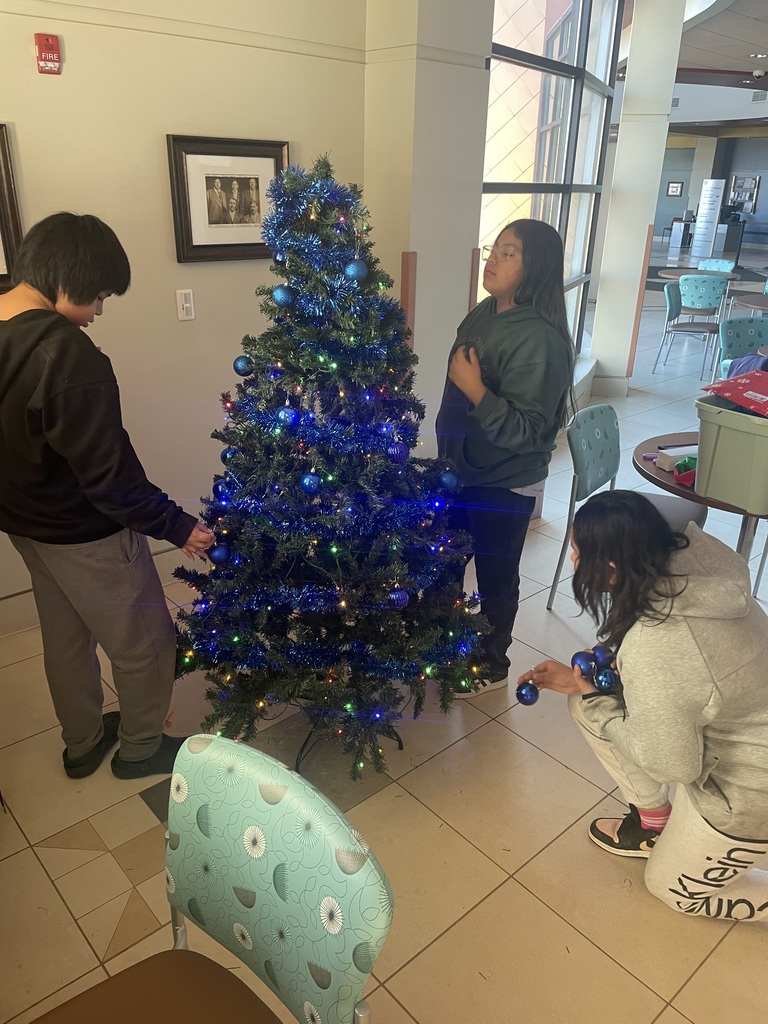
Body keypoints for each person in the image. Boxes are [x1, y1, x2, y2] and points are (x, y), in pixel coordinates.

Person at [0, 213, 215, 781]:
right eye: (97, 296)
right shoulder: (67, 356)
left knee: (65, 637)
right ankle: (143, 747)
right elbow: (110, 479)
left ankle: (82, 743)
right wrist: (177, 526)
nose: (98, 312)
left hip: (24, 527)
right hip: (84, 533)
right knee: (143, 640)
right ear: (66, 279)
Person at [518, 490, 768, 922]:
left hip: (748, 791)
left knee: (670, 888)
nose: (574, 562)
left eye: (579, 553)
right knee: (587, 705)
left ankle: (727, 843)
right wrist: (601, 680)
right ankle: (654, 822)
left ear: (612, 568)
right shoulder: (696, 554)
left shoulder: (660, 645)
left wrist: (594, 693)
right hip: (742, 728)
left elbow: (673, 767)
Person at [436, 219, 575, 696]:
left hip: (503, 480)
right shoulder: (483, 313)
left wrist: (477, 390)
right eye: (495, 248)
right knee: (444, 561)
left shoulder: (542, 341)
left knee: (495, 575)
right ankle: (445, 643)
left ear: (534, 267)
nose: (493, 259)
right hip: (459, 471)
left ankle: (490, 664)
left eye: (509, 253)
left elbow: (532, 432)